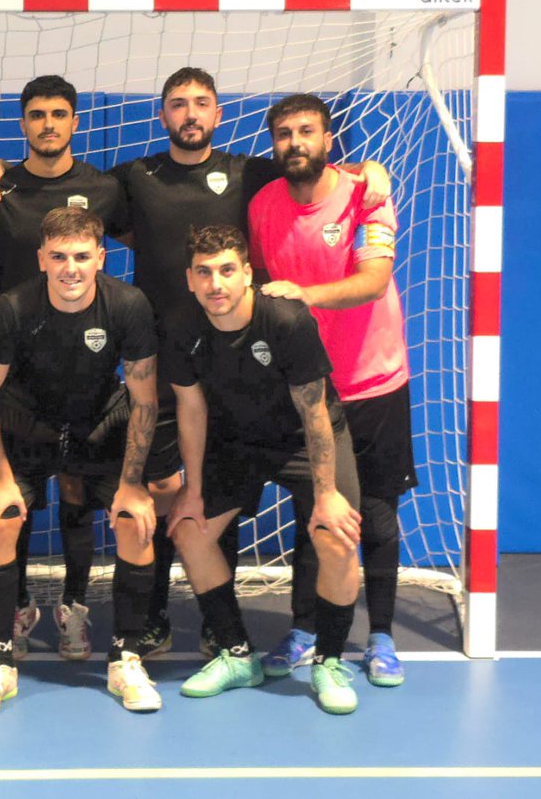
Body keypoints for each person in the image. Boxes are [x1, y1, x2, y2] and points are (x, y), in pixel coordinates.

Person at [0, 66, 391, 659]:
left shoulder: (252, 171)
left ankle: (296, 640)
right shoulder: (132, 180)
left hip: (247, 359)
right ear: (162, 115)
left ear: (218, 115)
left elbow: (314, 168)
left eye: (201, 103)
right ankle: (156, 619)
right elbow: (58, 193)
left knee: (294, 510)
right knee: (170, 491)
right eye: (177, 104)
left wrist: (364, 170)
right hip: (172, 360)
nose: (189, 113)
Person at [0, 207, 162, 716]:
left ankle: (125, 657)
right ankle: (0, 663)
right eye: (58, 257)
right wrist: (2, 479)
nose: (70, 268)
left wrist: (134, 483)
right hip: (27, 423)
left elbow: (143, 400)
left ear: (100, 257)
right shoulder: (13, 308)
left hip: (97, 421)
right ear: (41, 259)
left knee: (135, 522)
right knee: (0, 521)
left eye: (80, 256)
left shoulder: (128, 305)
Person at [0, 75, 144, 661]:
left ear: (75, 121)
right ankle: (17, 607)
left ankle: (74, 607)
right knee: (14, 504)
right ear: (23, 124)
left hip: (90, 374)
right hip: (18, 374)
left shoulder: (103, 186)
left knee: (78, 495)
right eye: (37, 114)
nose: (49, 123)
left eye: (60, 114)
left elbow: (152, 235)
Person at [248, 93, 417, 687]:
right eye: (284, 134)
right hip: (308, 389)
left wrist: (305, 296)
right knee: (313, 513)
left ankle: (381, 637)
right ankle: (305, 631)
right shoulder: (265, 204)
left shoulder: (366, 192)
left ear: (327, 139)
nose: (295, 143)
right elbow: (262, 285)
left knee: (375, 514)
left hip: (373, 382)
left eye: (307, 132)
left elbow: (373, 281)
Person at [163, 224, 363, 715]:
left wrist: (325, 494)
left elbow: (314, 411)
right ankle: (237, 656)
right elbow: (191, 410)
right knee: (190, 531)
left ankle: (329, 662)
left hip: (304, 437)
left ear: (248, 274)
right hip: (237, 442)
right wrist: (191, 489)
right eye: (205, 273)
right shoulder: (181, 326)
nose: (217, 284)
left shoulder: (286, 320)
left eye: (228, 270)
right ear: (190, 279)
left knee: (335, 535)